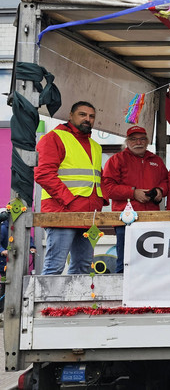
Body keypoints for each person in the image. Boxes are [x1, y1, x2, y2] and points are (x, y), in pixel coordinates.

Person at [34, 101, 105, 275]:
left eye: (91, 116)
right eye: (82, 114)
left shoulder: (95, 145)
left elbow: (97, 179)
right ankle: (46, 303)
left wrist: (99, 204)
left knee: (83, 265)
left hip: (89, 214)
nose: (87, 119)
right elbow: (43, 174)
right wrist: (70, 200)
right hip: (62, 212)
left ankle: (72, 304)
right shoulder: (53, 138)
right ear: (70, 116)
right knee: (55, 266)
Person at [102, 126, 169, 273]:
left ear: (147, 141)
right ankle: (122, 294)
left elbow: (167, 182)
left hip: (151, 219)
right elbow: (107, 188)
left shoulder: (156, 160)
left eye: (142, 138)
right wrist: (133, 193)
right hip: (125, 221)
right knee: (125, 262)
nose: (138, 142)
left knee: (151, 263)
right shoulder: (116, 160)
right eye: (133, 139)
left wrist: (160, 191)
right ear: (127, 142)